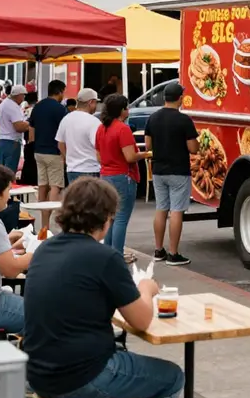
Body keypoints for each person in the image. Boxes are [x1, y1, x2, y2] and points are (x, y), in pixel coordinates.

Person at [23, 178, 184, 398]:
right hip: (80, 377)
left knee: (123, 359)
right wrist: (146, 288)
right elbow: (141, 320)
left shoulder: (45, 249)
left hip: (38, 374)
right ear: (107, 218)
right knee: (172, 377)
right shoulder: (105, 257)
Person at [145, 82, 198, 266]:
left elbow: (148, 145)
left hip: (158, 170)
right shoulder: (184, 120)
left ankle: (158, 250)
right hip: (179, 171)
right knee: (176, 211)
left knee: (161, 209)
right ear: (180, 99)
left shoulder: (153, 118)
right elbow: (193, 148)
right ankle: (173, 254)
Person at [96, 94, 149, 262]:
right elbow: (130, 157)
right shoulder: (122, 129)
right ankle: (117, 255)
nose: (129, 110)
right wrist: (146, 154)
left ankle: (108, 253)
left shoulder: (101, 128)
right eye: (126, 107)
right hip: (122, 175)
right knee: (121, 217)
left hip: (106, 174)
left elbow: (98, 156)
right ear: (121, 110)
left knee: (111, 217)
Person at [0, 165, 32, 334]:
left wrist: (5, 241)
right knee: (44, 316)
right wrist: (36, 253)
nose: (9, 197)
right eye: (8, 190)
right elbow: (10, 270)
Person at [29, 80, 68, 228]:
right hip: (54, 151)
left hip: (38, 151)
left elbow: (31, 128)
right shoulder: (60, 109)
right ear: (59, 91)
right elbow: (64, 132)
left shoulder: (37, 106)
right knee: (55, 186)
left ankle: (43, 224)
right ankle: (49, 222)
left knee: (43, 185)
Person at [56, 88, 101, 184]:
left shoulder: (66, 119)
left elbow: (60, 144)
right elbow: (99, 147)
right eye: (95, 103)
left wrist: (68, 159)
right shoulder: (94, 122)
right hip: (91, 169)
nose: (96, 106)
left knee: (76, 198)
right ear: (90, 102)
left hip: (72, 169)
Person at [0, 84, 29, 173]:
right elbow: (18, 127)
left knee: (2, 172)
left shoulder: (5, 103)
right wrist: (29, 124)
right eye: (23, 95)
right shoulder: (12, 106)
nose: (23, 98)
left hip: (3, 140)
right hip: (11, 142)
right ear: (19, 95)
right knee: (9, 172)